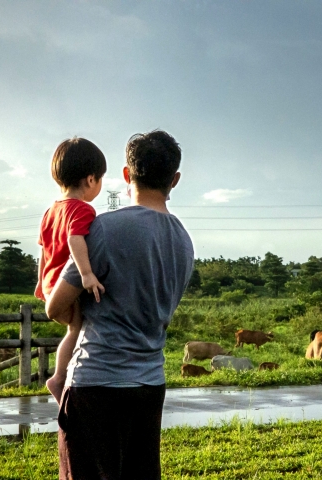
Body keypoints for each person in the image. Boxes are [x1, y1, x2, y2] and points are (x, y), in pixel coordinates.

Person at [45, 130, 194, 480]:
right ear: (175, 180)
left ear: (127, 176)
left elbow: (54, 307)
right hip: (149, 386)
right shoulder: (184, 242)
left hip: (95, 384)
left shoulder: (104, 229)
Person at [35, 137, 107, 403]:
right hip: (67, 286)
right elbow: (75, 240)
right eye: (101, 180)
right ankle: (59, 378)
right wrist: (87, 274)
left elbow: (43, 250)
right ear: (91, 180)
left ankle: (67, 378)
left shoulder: (50, 211)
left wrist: (41, 283)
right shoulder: (83, 210)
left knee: (74, 329)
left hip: (50, 285)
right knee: (75, 329)